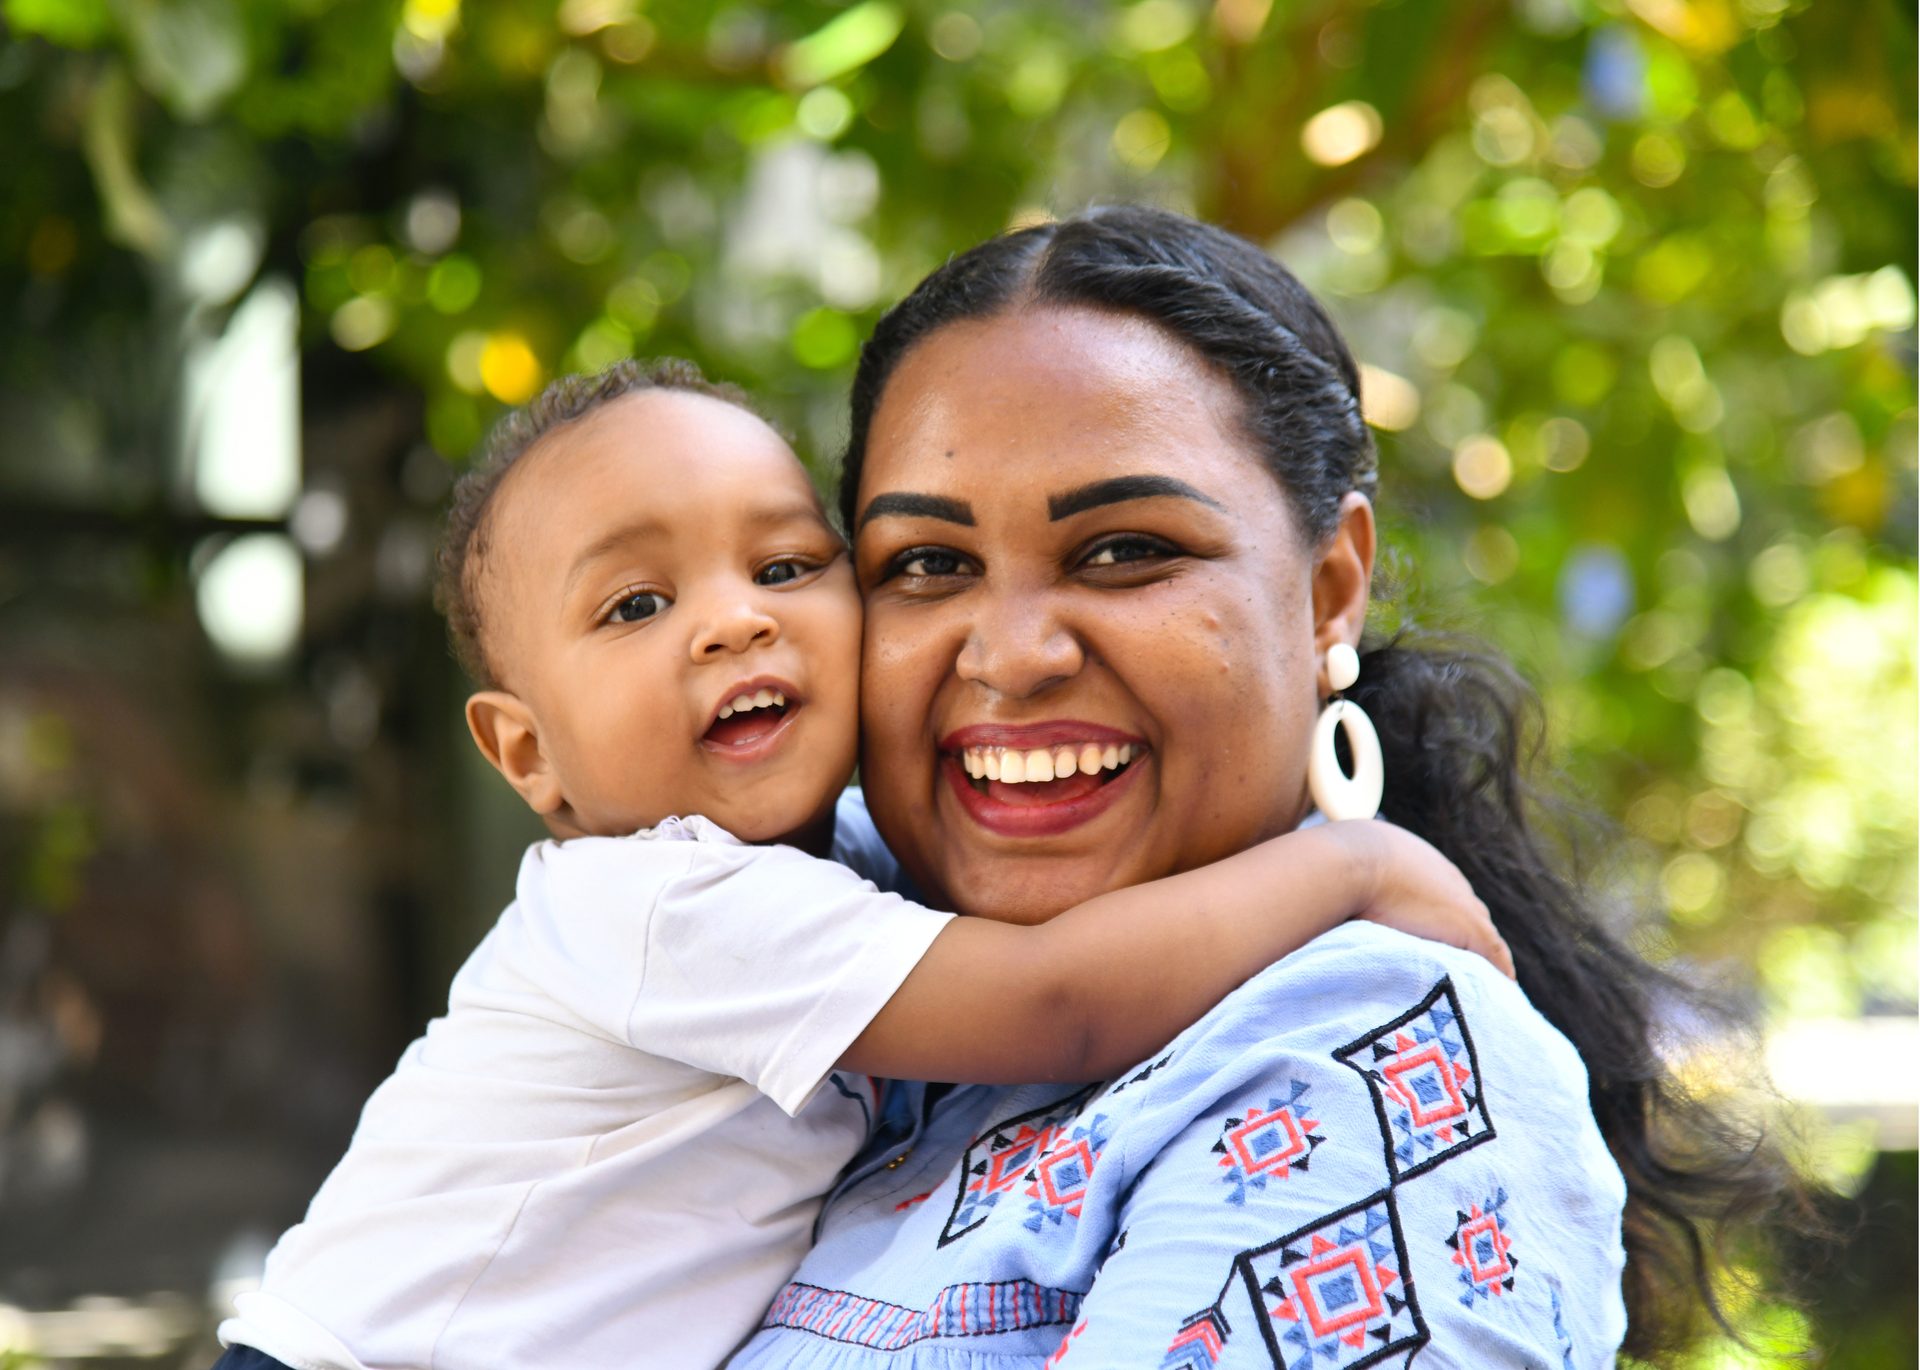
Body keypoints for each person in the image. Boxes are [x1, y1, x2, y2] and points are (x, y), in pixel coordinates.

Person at [212, 359, 1510, 1370]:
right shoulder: (667, 904)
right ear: (528, 754)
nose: (735, 616)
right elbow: (1057, 998)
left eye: (786, 562)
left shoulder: (842, 867)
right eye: (636, 604)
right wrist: (1354, 872)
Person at [728, 206, 1793, 1368]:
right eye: (928, 565)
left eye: (1126, 549)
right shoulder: (817, 962)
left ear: (1331, 587)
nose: (1012, 652)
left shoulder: (1374, 1063)